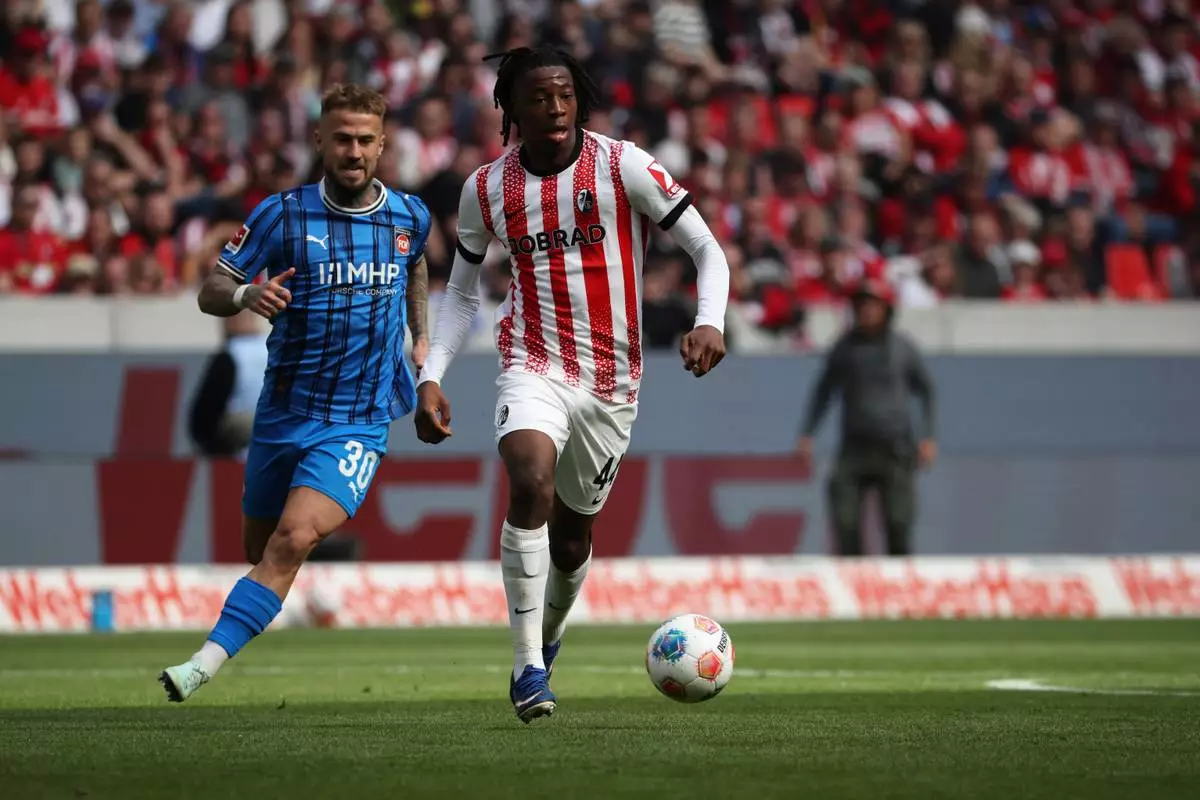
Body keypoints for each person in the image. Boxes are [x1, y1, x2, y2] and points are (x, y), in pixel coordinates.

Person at [414, 46, 731, 723]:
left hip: (611, 383)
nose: (555, 108)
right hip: (532, 362)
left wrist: (710, 319)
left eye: (565, 95)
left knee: (571, 540)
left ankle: (549, 636)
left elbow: (707, 248)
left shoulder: (623, 166)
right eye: (539, 97)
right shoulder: (486, 189)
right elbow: (462, 294)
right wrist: (431, 374)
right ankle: (528, 665)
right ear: (512, 108)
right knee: (529, 479)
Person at [159, 84, 433, 702]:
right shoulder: (280, 214)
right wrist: (246, 294)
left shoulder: (409, 216)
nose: (354, 151)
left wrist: (420, 342)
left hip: (358, 419)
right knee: (261, 549)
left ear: (382, 145)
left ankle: (199, 666)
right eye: (342, 139)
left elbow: (416, 266)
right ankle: (294, 584)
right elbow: (211, 291)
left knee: (291, 540)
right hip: (284, 412)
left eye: (365, 140)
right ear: (320, 141)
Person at [796, 279, 937, 557]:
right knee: (844, 519)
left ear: (887, 309)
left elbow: (926, 390)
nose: (867, 310)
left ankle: (900, 579)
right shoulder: (844, 348)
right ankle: (853, 576)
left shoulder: (902, 348)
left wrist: (928, 436)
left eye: (873, 305)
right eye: (861, 305)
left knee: (898, 523)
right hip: (855, 447)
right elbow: (824, 390)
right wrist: (807, 433)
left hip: (895, 446)